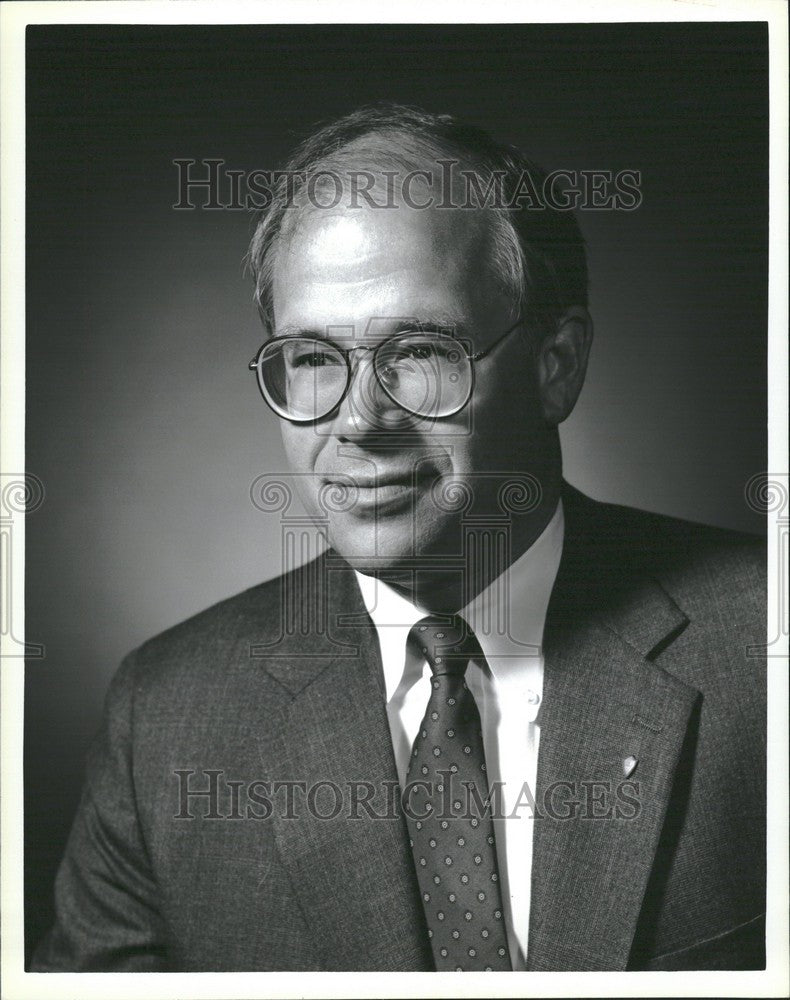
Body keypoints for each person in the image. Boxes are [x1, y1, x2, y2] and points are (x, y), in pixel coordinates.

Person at [32, 104, 765, 972]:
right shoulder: (164, 717)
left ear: (555, 366)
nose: (359, 421)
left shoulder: (763, 652)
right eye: (310, 358)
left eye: (419, 350)